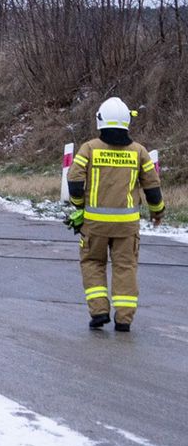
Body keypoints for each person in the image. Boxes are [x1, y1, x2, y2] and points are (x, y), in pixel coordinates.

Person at [66, 97, 164, 332]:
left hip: (95, 224)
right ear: (127, 122)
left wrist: (79, 207)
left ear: (100, 120)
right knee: (125, 267)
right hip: (127, 226)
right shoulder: (139, 152)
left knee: (92, 263)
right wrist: (157, 211)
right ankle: (124, 319)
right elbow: (152, 186)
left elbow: (75, 180)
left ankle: (99, 312)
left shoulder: (89, 148)